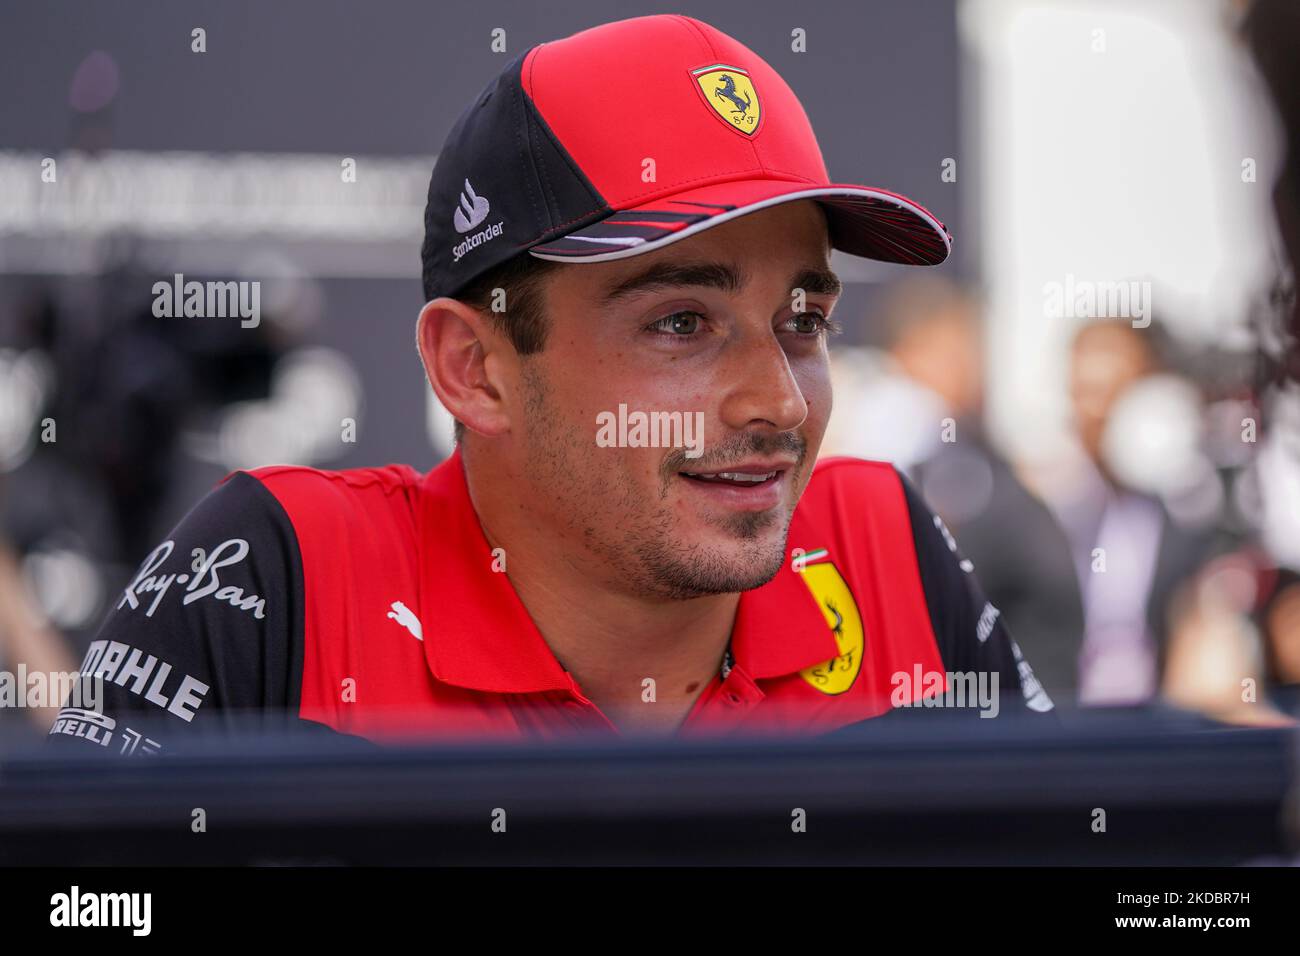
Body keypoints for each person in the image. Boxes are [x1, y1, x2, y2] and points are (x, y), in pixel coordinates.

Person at [47, 14, 1050, 754]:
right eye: (680, 323)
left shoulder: (880, 546)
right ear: (471, 368)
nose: (778, 403)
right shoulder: (283, 575)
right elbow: (76, 902)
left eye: (802, 320)